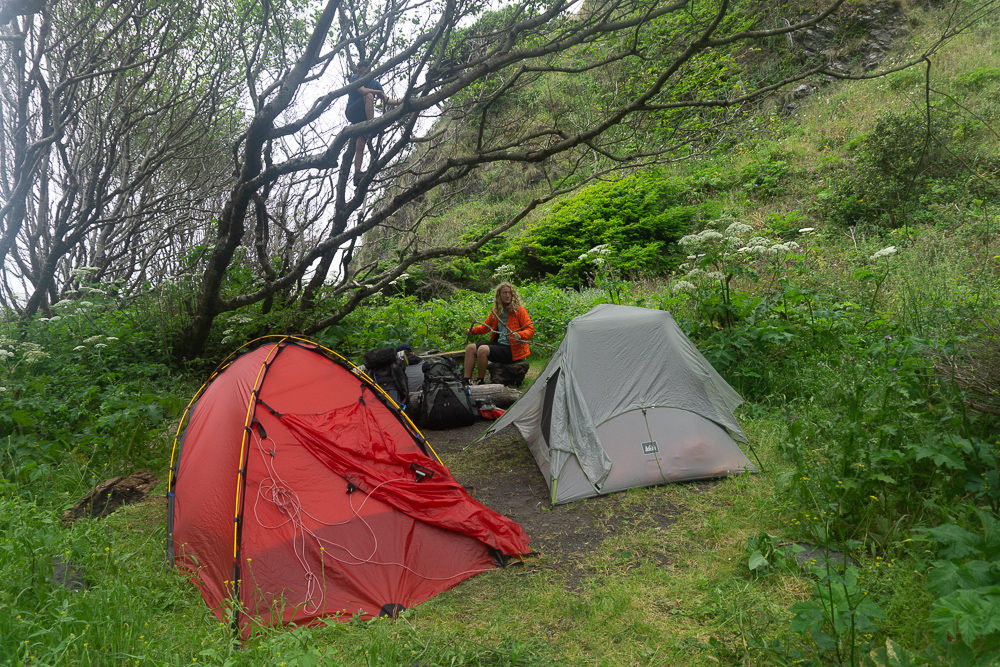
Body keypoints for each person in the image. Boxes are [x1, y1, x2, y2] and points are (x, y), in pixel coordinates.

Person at [464, 282, 534, 385]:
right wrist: (472, 331)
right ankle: (466, 380)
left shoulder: (520, 310)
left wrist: (520, 335)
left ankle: (480, 380)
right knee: (470, 348)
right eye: (504, 293)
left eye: (509, 293)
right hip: (500, 346)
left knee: (483, 349)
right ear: (499, 296)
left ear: (513, 295)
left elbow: (530, 330)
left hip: (513, 349)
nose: (507, 295)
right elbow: (485, 327)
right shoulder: (497, 311)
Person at [345, 60, 400, 188]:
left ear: (369, 72)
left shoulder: (375, 83)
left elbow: (386, 100)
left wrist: (401, 101)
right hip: (352, 111)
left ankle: (357, 174)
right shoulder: (355, 78)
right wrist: (378, 93)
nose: (359, 75)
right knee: (369, 95)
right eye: (358, 72)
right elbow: (363, 91)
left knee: (360, 144)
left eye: (362, 73)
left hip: (363, 117)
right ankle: (371, 124)